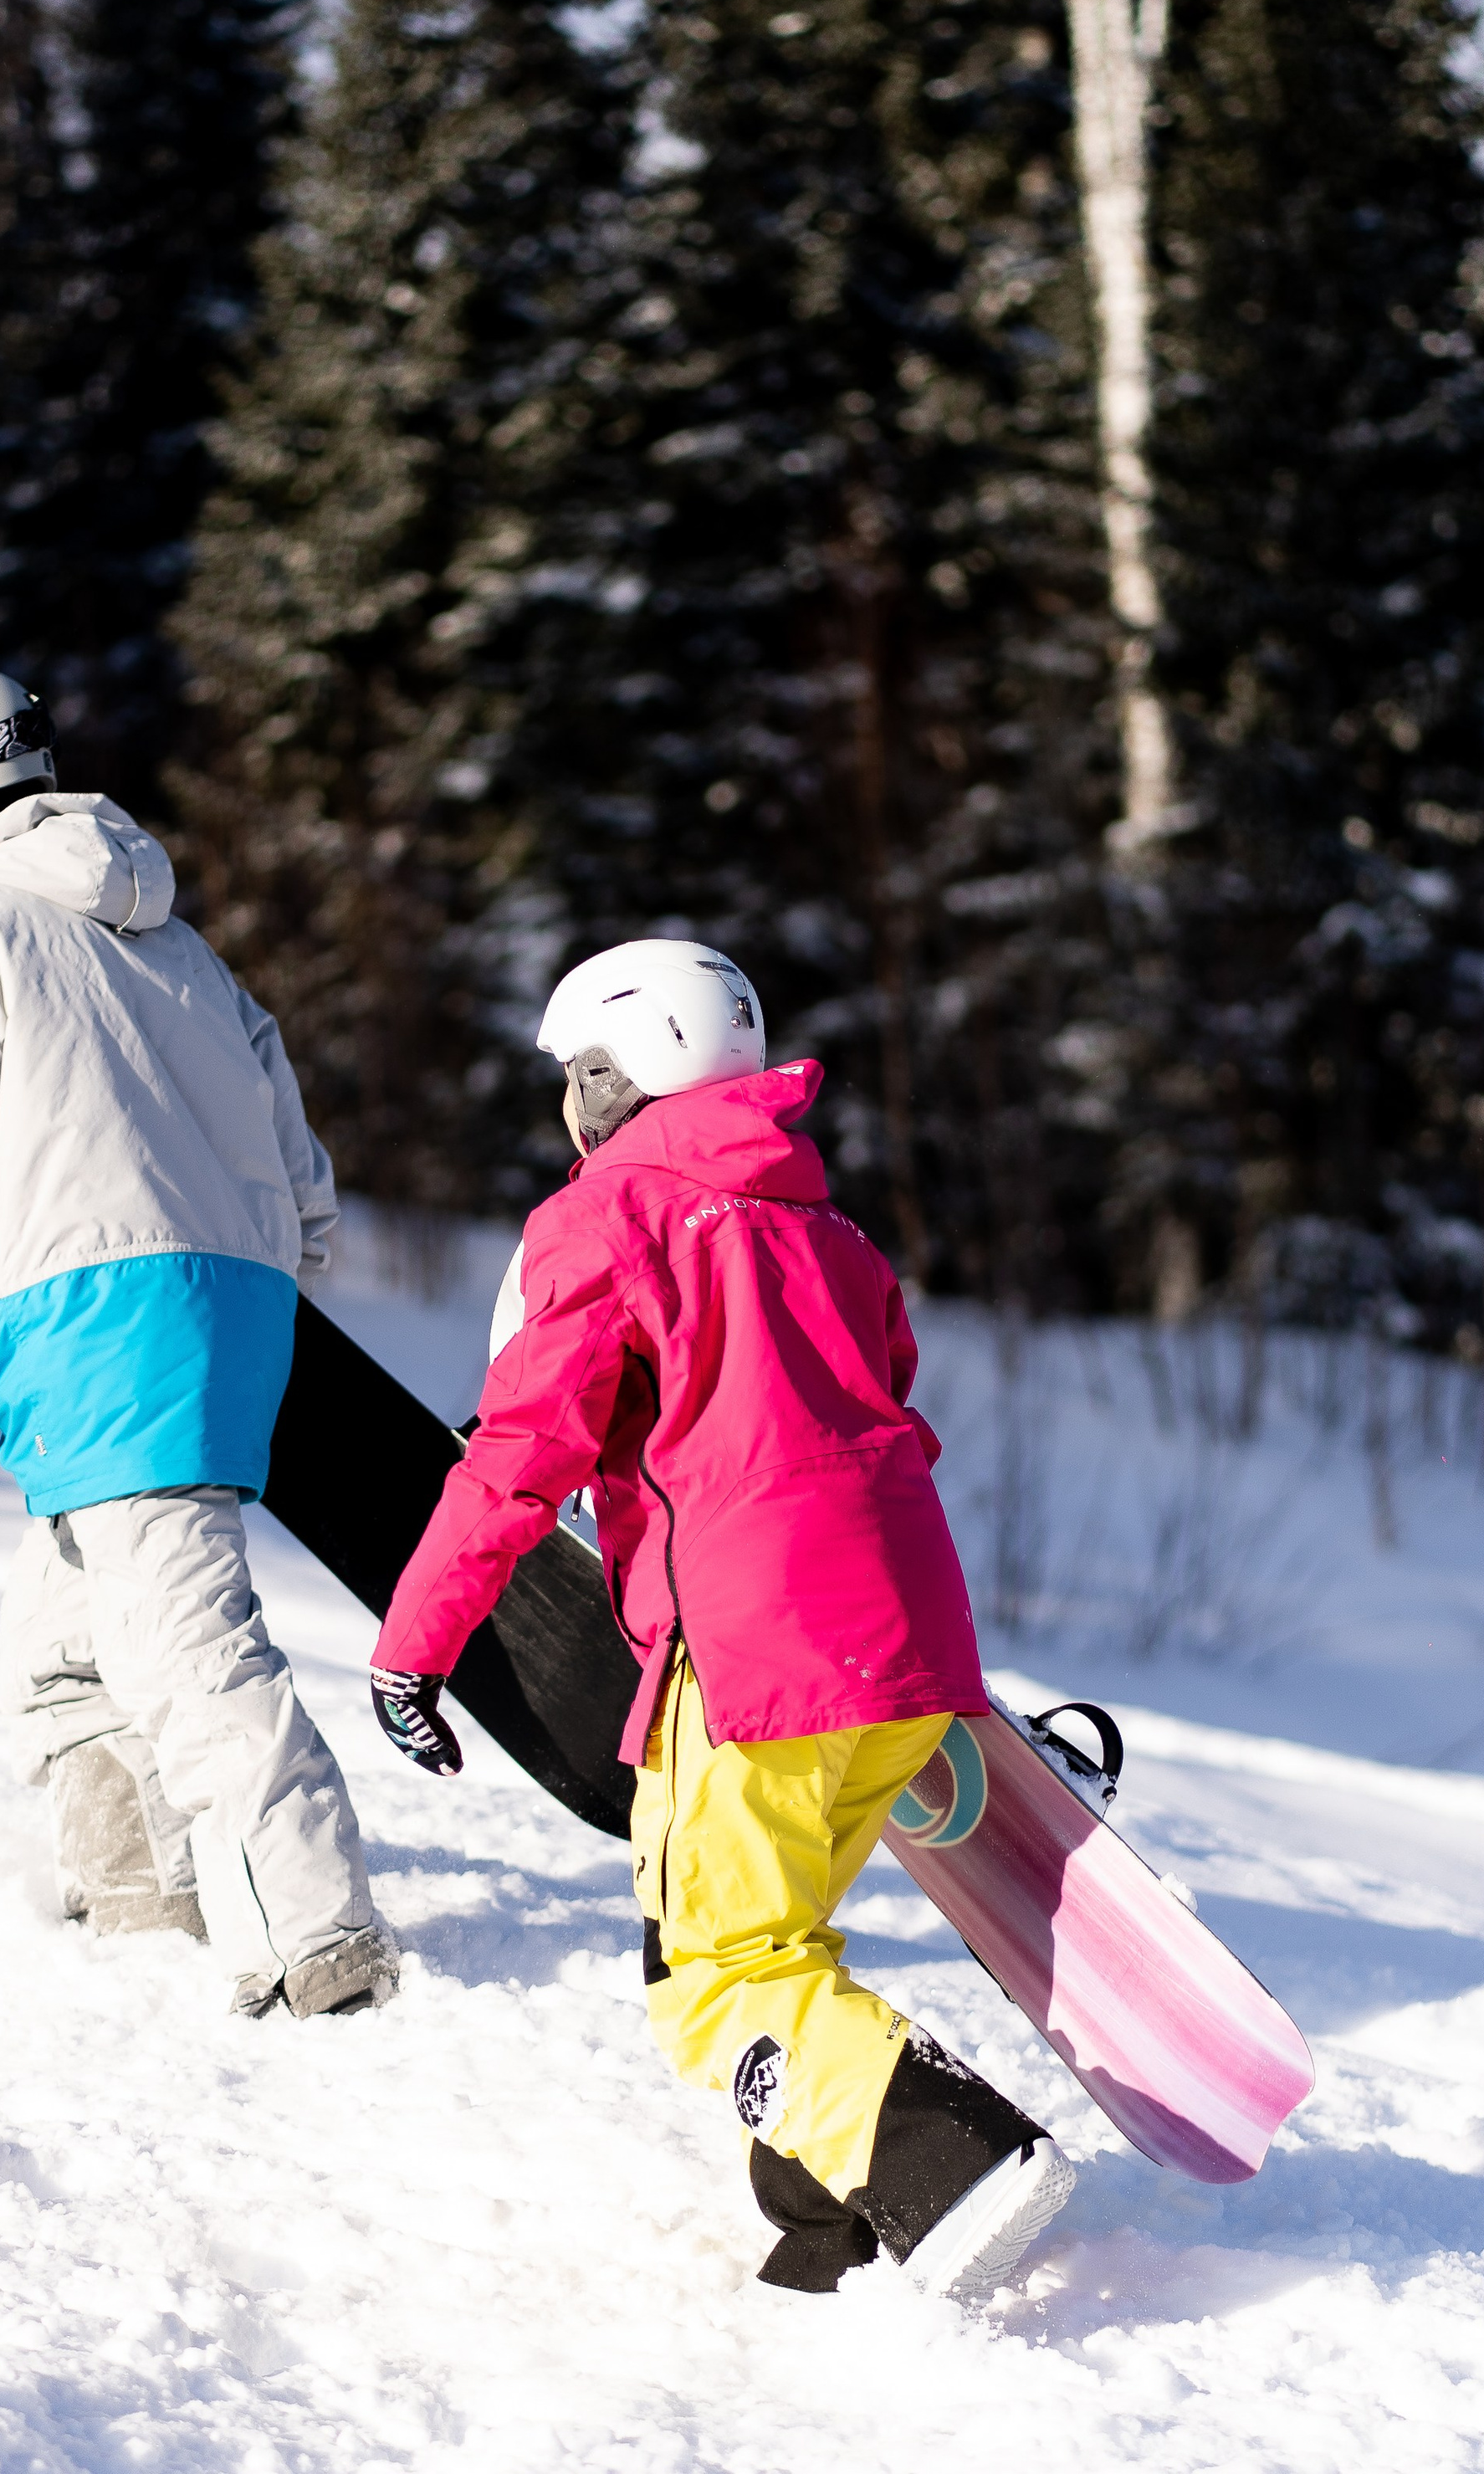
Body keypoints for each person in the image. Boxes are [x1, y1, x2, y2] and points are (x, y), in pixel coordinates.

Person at [366, 940, 1074, 2297]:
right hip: (910, 1642)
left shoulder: (608, 1215)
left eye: (574, 1084)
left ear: (609, 1078)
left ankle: (957, 2162)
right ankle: (826, 2226)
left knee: (716, 1972)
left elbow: (523, 1451)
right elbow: (856, 1393)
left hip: (754, 1659)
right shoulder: (829, 1227)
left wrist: (418, 1644)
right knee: (778, 1933)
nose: (567, 1118)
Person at [0, 663, 398, 2021]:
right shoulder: (181, 948)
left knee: (179, 1641)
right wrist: (248, 1309)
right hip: (227, 1314)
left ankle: (318, 1941)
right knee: (64, 1647)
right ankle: (140, 1891)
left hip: (97, 1316)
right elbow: (303, 1174)